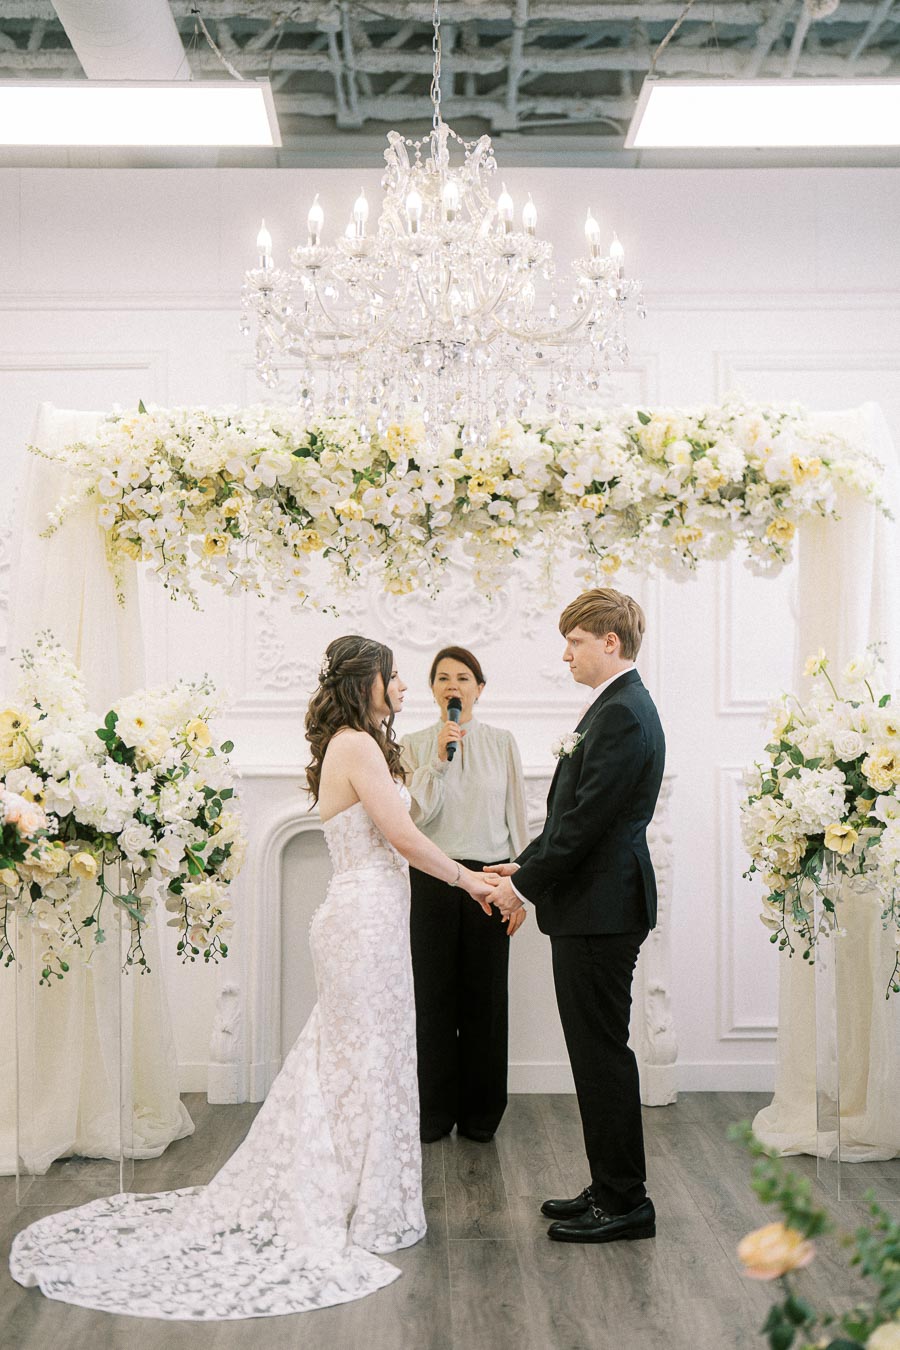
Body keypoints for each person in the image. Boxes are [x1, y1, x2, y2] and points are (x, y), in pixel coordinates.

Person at [10, 635, 498, 1319]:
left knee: (365, 1056)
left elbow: (410, 821)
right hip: (362, 918)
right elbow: (403, 838)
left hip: (375, 917)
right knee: (359, 1056)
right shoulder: (355, 745)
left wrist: (461, 833)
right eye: (396, 677)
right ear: (370, 683)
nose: (407, 688)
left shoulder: (365, 744)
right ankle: (346, 1197)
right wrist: (470, 879)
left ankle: (355, 1193)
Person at [488, 589, 665, 1244]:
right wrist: (522, 863)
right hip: (595, 905)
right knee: (596, 1055)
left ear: (609, 643)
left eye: (576, 641)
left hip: (602, 909)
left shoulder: (622, 713)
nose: (566, 654)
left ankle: (625, 1203)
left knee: (601, 1057)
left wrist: (523, 887)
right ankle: (610, 1185)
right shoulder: (614, 708)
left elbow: (587, 826)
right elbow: (572, 817)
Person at [400, 646, 530, 1144]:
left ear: (479, 687)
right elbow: (414, 817)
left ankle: (481, 1117)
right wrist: (436, 759)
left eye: (462, 677)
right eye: (442, 678)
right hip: (432, 878)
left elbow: (517, 820)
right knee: (431, 1001)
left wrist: (521, 892)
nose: (452, 685)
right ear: (433, 690)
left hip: (491, 881)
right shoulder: (413, 745)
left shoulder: (502, 742)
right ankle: (432, 1113)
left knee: (486, 1003)